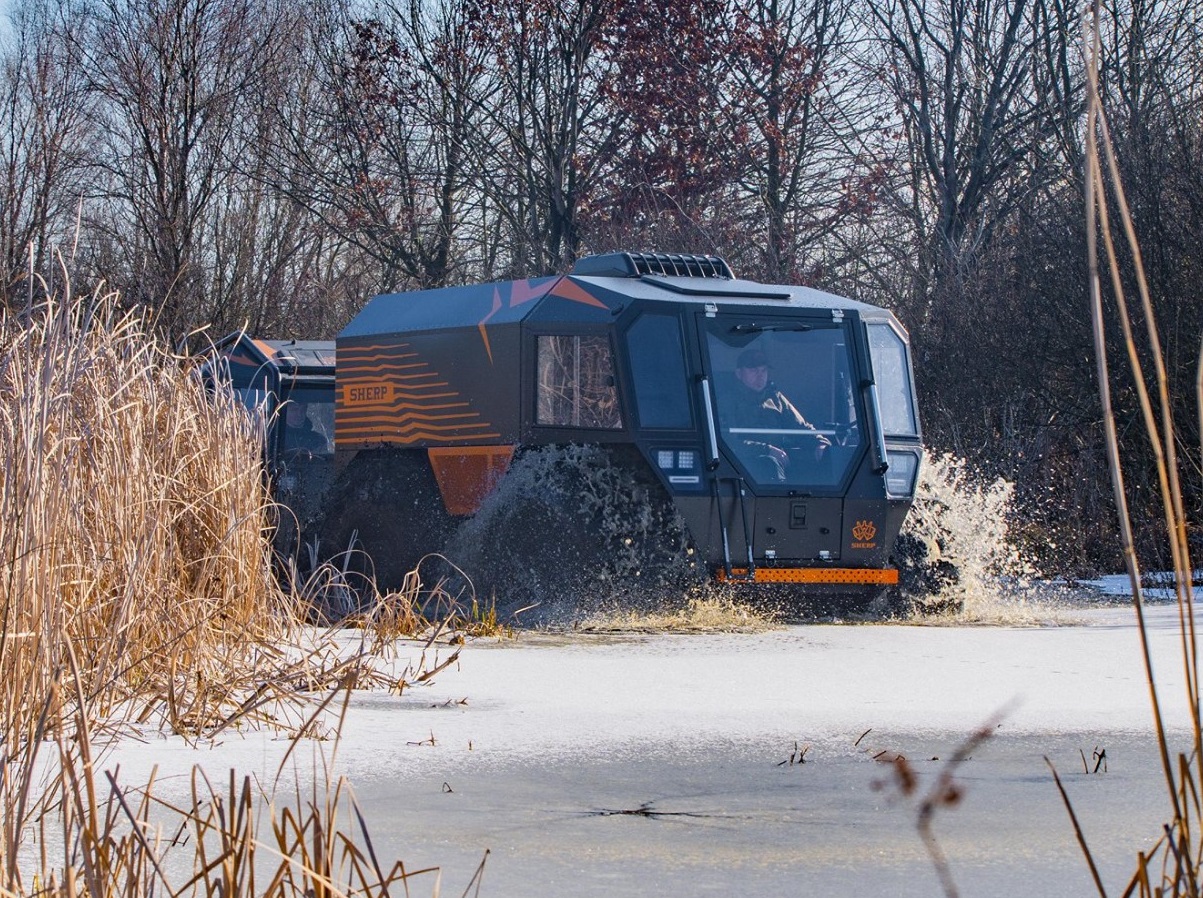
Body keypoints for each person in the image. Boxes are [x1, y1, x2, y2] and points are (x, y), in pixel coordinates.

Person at [723, 348, 830, 480]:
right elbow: (726, 442)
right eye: (753, 371)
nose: (760, 376)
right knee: (769, 464)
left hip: (779, 463)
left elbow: (800, 428)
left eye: (763, 370)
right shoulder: (727, 402)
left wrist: (820, 443)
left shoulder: (776, 398)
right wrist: (766, 450)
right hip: (743, 469)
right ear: (739, 374)